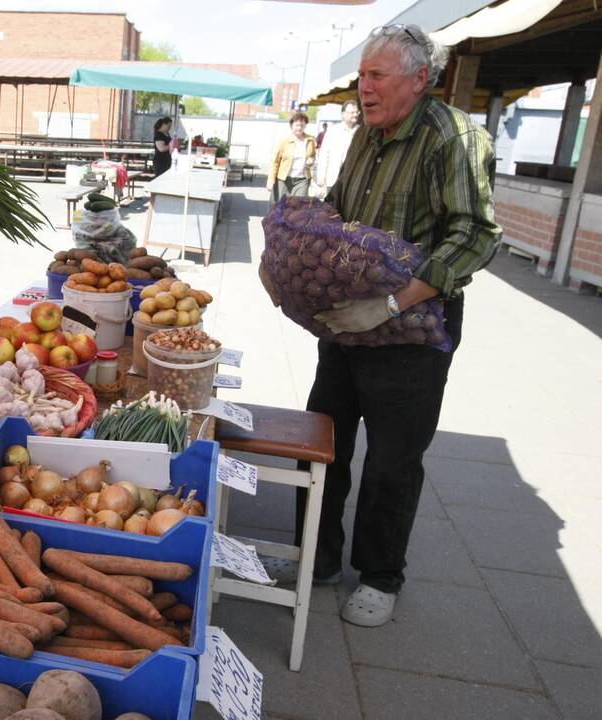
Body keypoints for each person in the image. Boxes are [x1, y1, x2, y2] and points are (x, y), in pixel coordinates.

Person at [260, 24, 501, 627]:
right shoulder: (369, 136)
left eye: (376, 75)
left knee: (394, 457)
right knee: (324, 442)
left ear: (420, 79)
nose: (363, 88)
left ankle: (381, 575)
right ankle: (317, 558)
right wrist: (284, 260)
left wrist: (391, 305)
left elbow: (475, 236)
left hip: (413, 329)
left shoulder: (455, 140)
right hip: (348, 323)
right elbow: (336, 211)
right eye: (362, 75)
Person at [266, 112, 316, 207]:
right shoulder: (284, 141)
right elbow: (275, 161)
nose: (299, 128)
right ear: (291, 126)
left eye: (302, 125)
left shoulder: (310, 140)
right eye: (297, 125)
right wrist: (270, 180)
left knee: (298, 206)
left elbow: (313, 155)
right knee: (279, 205)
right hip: (284, 179)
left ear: (305, 125)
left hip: (302, 179)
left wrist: (311, 160)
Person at [313, 100, 360, 198]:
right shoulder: (333, 131)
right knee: (332, 209)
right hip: (333, 178)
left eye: (357, 112)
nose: (355, 115)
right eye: (352, 112)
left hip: (353, 180)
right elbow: (324, 154)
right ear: (343, 114)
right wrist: (321, 176)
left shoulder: (361, 132)